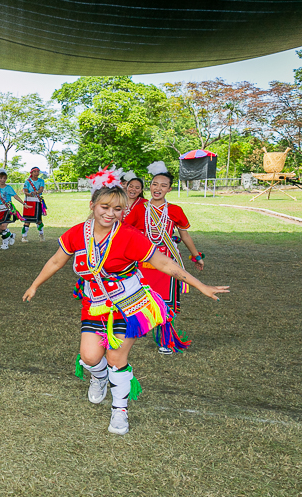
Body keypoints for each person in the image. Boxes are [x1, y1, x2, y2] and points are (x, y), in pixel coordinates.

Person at [22, 169, 227, 435]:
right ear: (92, 205)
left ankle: (120, 411)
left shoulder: (129, 235)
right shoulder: (76, 233)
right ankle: (99, 377)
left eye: (118, 209)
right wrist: (35, 285)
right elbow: (56, 260)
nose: (110, 213)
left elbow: (164, 262)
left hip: (129, 304)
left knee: (116, 358)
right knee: (89, 357)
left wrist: (200, 285)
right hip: (94, 303)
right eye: (105, 207)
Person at [124, 161, 205, 355]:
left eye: (163, 185)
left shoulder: (175, 210)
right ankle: (132, 334)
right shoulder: (140, 208)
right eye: (154, 184)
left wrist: (196, 256)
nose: (157, 188)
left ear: (169, 189)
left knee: (165, 302)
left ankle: (165, 341)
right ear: (150, 187)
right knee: (140, 298)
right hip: (144, 260)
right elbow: (126, 231)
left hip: (168, 262)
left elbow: (184, 235)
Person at [20, 166, 46, 243]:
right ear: (31, 173)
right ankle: (24, 236)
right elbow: (25, 191)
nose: (36, 173)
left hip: (37, 201)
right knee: (27, 220)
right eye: (35, 172)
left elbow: (41, 189)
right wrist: (30, 194)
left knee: (38, 220)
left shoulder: (41, 181)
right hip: (29, 202)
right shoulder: (27, 181)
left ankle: (41, 235)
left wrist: (37, 192)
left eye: (38, 171)